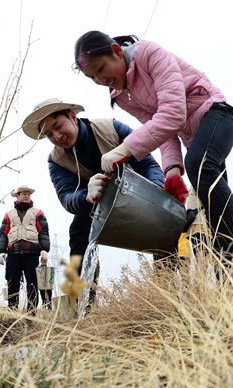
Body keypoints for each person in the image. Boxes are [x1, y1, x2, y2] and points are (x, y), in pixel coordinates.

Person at [72, 31, 233, 262]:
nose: (101, 80)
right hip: (195, 140)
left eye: (101, 69)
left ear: (116, 51)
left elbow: (173, 113)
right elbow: (160, 130)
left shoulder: (149, 53)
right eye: (92, 77)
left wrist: (124, 149)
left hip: (216, 114)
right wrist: (172, 169)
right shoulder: (122, 96)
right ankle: (228, 273)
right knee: (210, 197)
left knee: (199, 166)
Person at [21, 98, 164, 307]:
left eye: (58, 126)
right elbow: (66, 197)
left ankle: (166, 291)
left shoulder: (112, 128)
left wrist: (155, 195)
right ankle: (80, 302)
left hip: (135, 194)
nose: (57, 137)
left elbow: (149, 165)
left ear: (72, 116)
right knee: (77, 232)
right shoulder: (56, 160)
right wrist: (86, 196)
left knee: (163, 226)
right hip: (95, 207)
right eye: (49, 135)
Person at [0, 185, 50, 312]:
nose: (27, 196)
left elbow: (43, 232)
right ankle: (12, 312)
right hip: (13, 253)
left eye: (28, 194)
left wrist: (44, 249)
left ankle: (31, 313)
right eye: (24, 193)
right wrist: (1, 251)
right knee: (12, 283)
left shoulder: (37, 213)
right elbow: (3, 234)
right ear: (17, 196)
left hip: (32, 253)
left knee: (32, 283)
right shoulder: (8, 215)